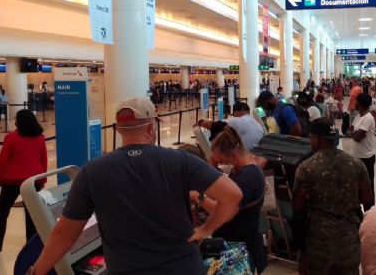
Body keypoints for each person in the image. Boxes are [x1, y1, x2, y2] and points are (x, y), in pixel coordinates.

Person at [29, 97, 243, 275]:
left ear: (117, 129)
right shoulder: (180, 161)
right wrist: (206, 229)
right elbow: (232, 195)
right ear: (152, 126)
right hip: (183, 267)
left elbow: (64, 234)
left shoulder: (92, 171)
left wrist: (36, 272)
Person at [293, 118, 372, 275]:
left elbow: (297, 204)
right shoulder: (356, 163)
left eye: (311, 137)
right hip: (348, 238)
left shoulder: (306, 168)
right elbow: (367, 198)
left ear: (317, 138)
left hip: (319, 240)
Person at [195, 127, 267, 273]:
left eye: (222, 160)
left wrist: (198, 196)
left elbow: (224, 214)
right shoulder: (242, 168)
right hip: (236, 242)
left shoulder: (248, 177)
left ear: (233, 154)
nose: (222, 163)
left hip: (241, 247)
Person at [0, 110, 47, 253]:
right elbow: (43, 159)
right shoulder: (40, 137)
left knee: (2, 212)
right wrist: (42, 178)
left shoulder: (11, 138)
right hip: (33, 180)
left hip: (12, 180)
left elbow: (3, 161)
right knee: (32, 215)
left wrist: (0, 179)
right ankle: (31, 246)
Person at [347, 93, 376, 211]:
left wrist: (353, 134)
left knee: (368, 187)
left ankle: (370, 213)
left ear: (362, 103)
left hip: (367, 157)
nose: (355, 103)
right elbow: (349, 131)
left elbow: (357, 137)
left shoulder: (368, 118)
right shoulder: (358, 117)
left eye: (356, 101)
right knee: (357, 186)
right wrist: (353, 133)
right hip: (356, 157)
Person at [195, 101, 264, 150]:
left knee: (210, 145)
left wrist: (200, 122)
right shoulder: (253, 121)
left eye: (233, 114)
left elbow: (215, 125)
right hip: (255, 150)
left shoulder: (239, 121)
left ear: (236, 112)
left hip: (247, 153)